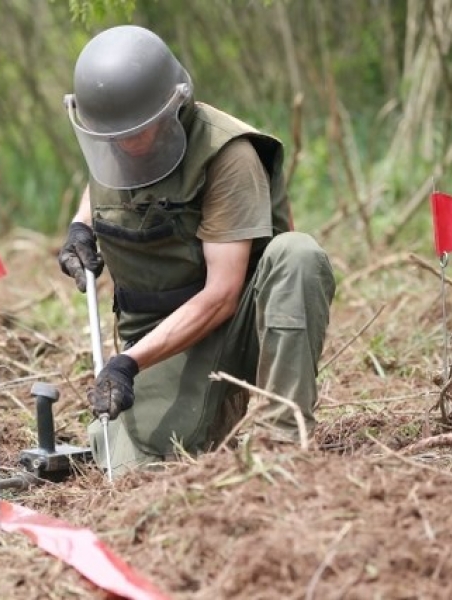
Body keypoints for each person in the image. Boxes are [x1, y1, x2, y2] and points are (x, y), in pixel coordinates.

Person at [58, 25, 336, 478]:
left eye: (140, 132)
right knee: (139, 469)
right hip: (156, 335)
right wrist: (80, 228)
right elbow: (105, 184)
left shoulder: (228, 157)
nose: (127, 145)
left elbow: (223, 294)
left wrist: (127, 365)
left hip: (232, 324)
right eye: (114, 137)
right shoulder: (114, 135)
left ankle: (282, 438)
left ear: (174, 105)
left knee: (297, 255)